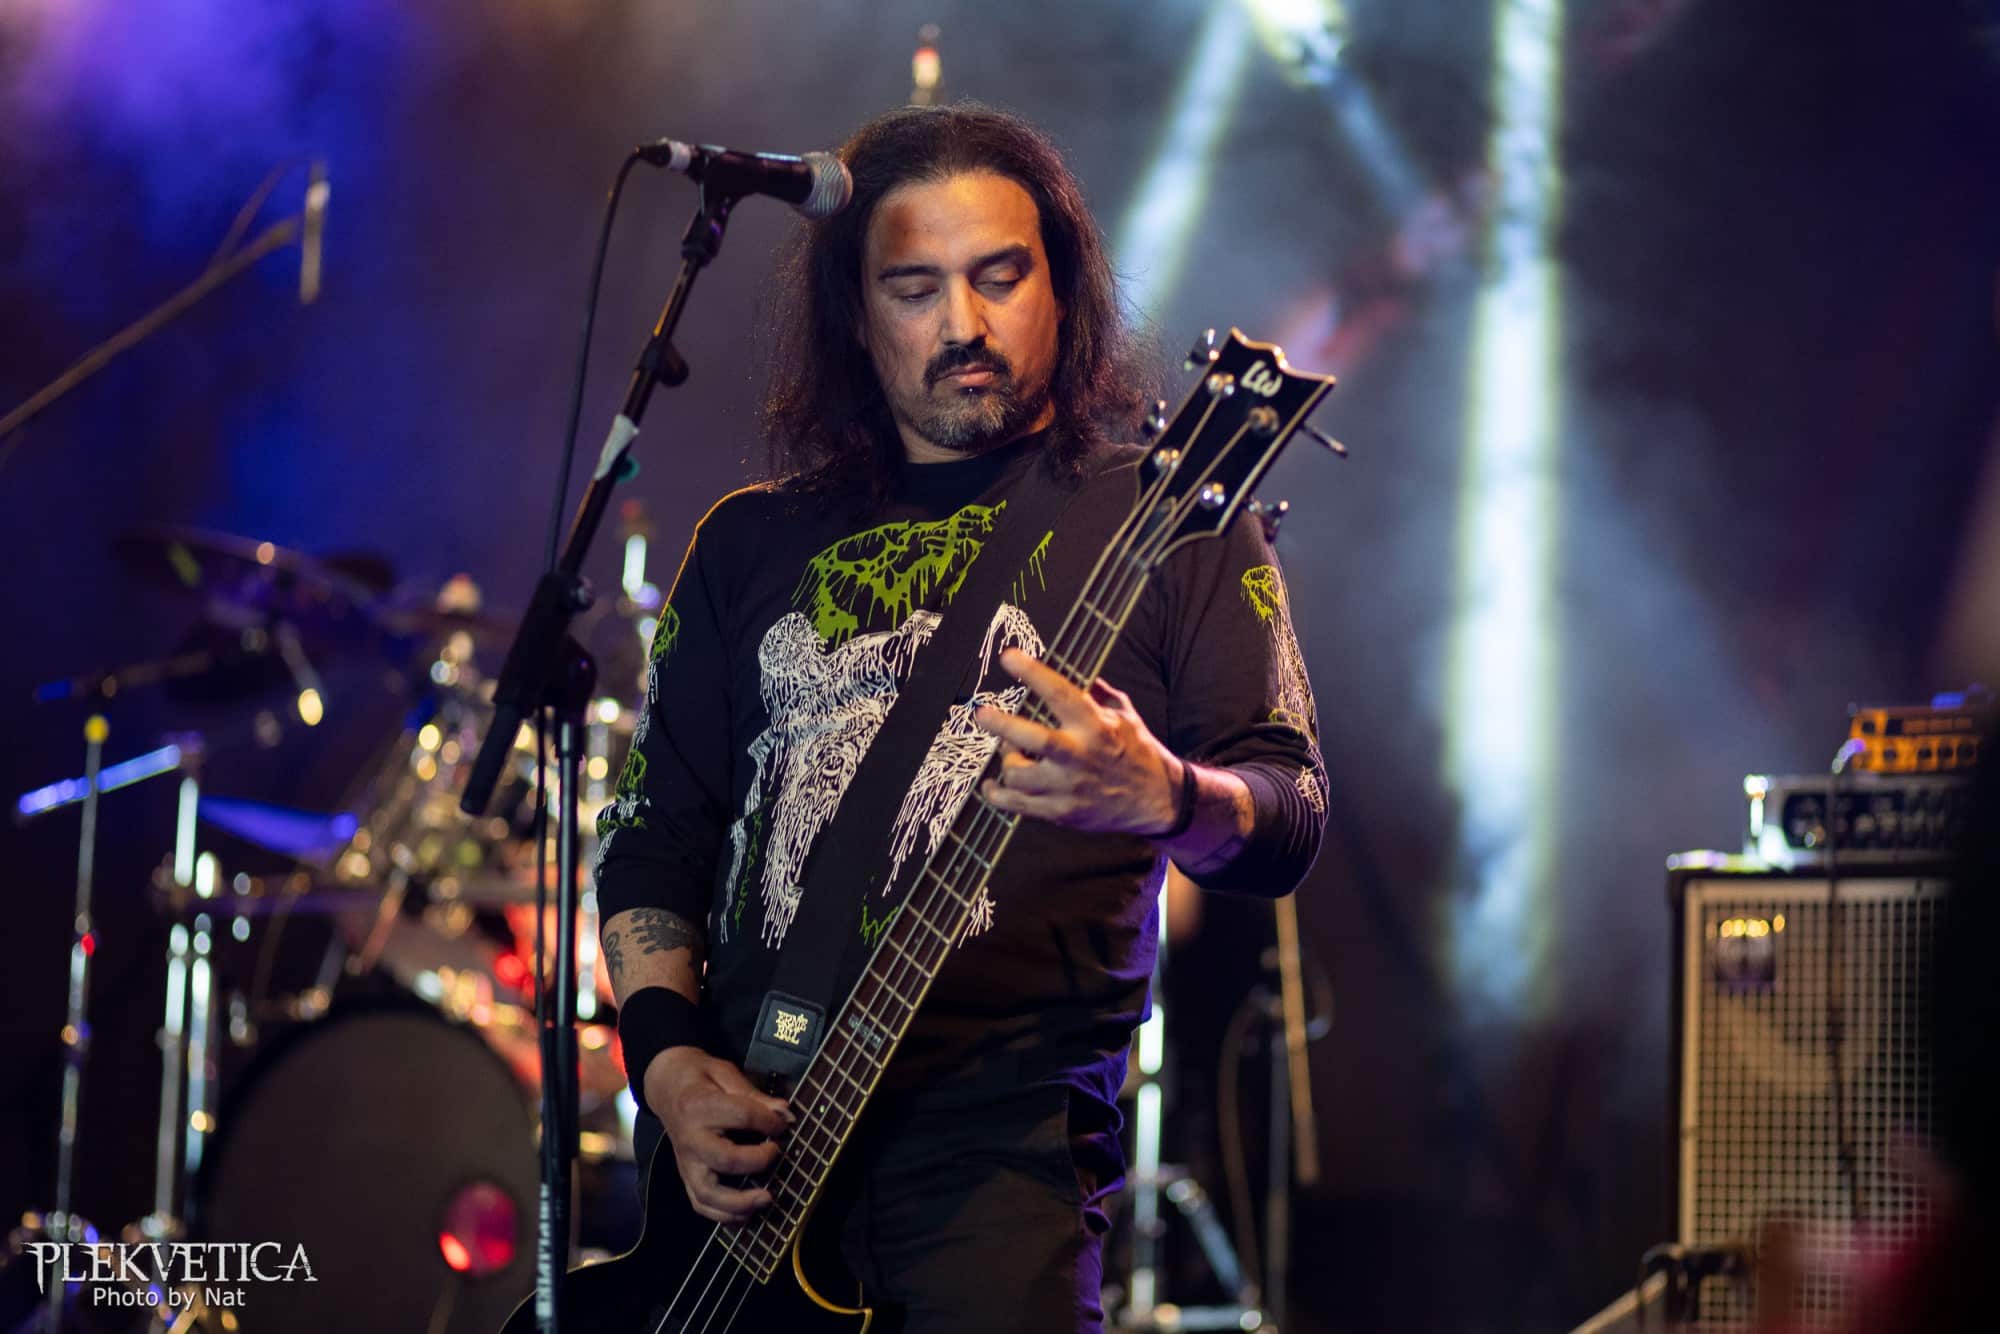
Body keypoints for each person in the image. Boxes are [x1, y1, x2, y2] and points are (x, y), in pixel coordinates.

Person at [592, 102, 1328, 1333]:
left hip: (998, 1163)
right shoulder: (745, 543)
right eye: (914, 288)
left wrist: (1164, 794)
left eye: (999, 277)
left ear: (1061, 288)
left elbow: (1288, 806)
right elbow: (648, 837)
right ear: (855, 312)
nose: (963, 325)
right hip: (733, 1184)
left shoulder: (1176, 517)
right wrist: (666, 1066)